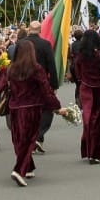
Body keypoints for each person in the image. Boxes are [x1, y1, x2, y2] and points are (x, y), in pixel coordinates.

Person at [5, 40, 66, 187]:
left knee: (19, 139)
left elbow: (4, 86)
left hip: (15, 107)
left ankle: (28, 167)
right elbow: (46, 90)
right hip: (31, 107)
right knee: (28, 140)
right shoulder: (36, 69)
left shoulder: (11, 68)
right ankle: (19, 170)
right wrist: (57, 108)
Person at [72, 29, 100, 162]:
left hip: (85, 88)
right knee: (98, 121)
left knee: (88, 120)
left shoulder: (81, 55)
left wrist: (81, 81)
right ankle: (96, 152)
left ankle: (88, 149)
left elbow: (76, 71)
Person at [23, 21, 59, 152]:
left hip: (24, 81)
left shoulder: (21, 43)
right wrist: (54, 84)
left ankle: (34, 139)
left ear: (29, 29)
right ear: (40, 30)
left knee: (29, 110)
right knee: (47, 109)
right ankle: (38, 136)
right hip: (41, 81)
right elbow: (51, 65)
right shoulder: (45, 44)